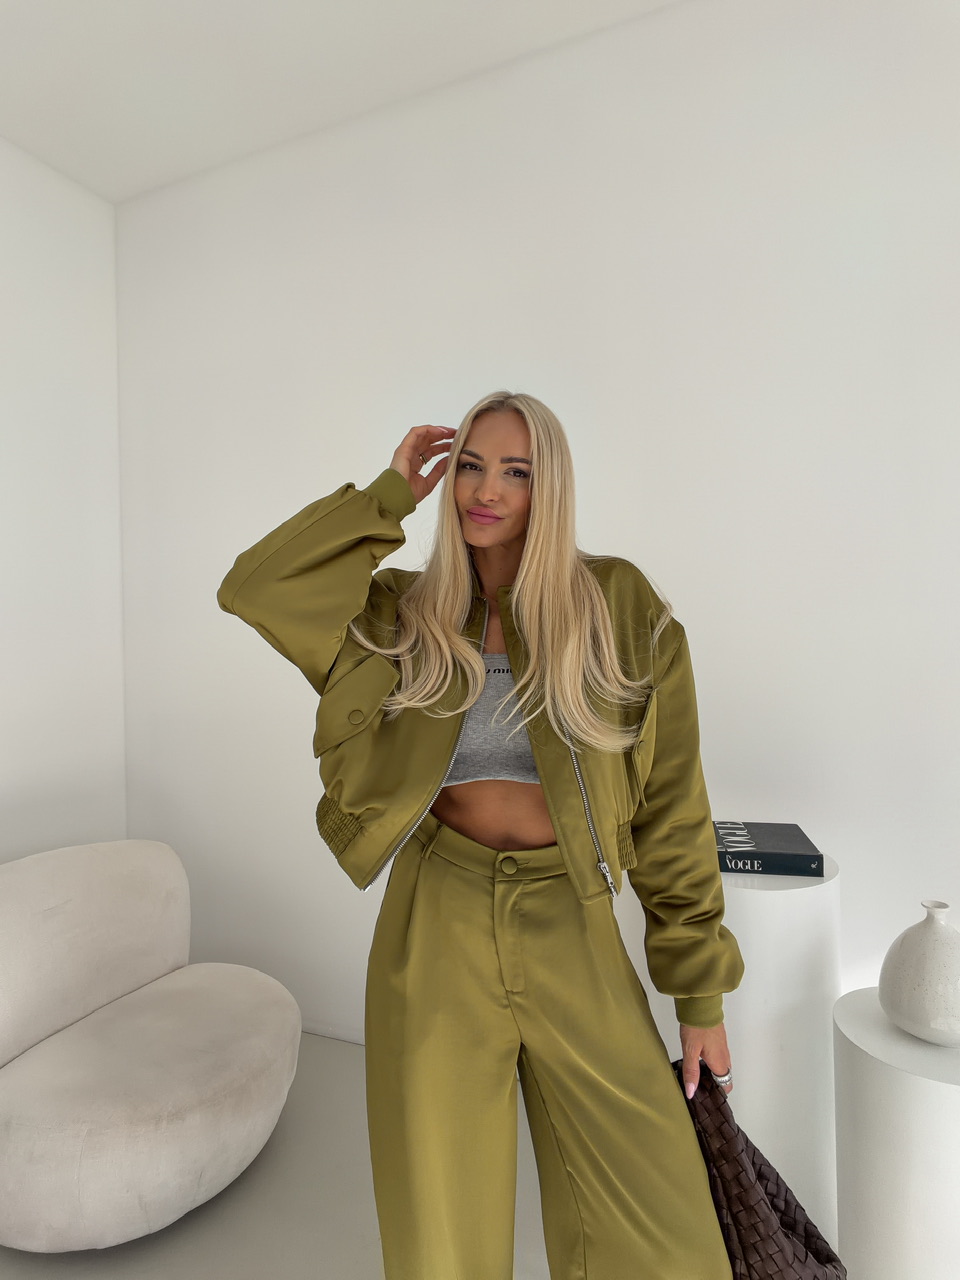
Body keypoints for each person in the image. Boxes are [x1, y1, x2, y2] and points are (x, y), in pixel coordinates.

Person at [218, 390, 744, 1280]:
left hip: (571, 918)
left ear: (551, 487)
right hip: (437, 918)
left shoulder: (619, 606)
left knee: (663, 1229)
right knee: (441, 1230)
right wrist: (388, 494)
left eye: (515, 471)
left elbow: (672, 809)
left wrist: (700, 997)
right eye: (469, 465)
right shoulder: (398, 613)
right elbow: (255, 589)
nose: (484, 489)